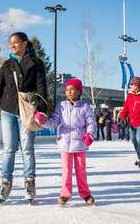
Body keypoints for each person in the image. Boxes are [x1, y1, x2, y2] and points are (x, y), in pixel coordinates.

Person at [0, 32, 47, 203]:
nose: (12, 46)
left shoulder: (36, 63)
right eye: (11, 43)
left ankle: (29, 183)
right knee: (9, 149)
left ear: (25, 43)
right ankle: (6, 183)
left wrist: (41, 109)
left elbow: (42, 88)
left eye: (15, 43)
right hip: (8, 110)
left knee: (27, 148)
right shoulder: (7, 64)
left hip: (26, 111)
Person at [36, 78, 96, 206]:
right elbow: (55, 121)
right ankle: (65, 194)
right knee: (66, 170)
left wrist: (90, 134)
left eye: (72, 89)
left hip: (80, 142)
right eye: (67, 90)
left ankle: (85, 194)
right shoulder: (61, 105)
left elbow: (91, 122)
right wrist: (44, 121)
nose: (68, 92)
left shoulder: (85, 107)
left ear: (79, 91)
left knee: (81, 170)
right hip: (65, 142)